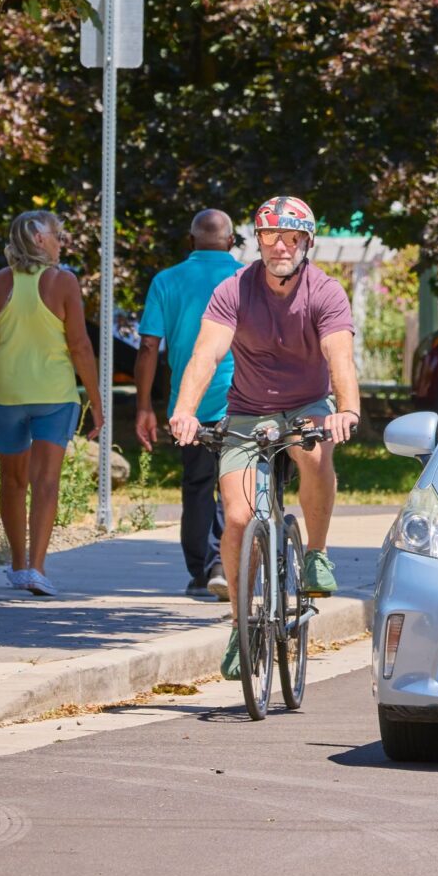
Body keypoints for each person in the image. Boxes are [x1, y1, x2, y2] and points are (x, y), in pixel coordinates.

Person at [168, 196, 361, 679]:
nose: (280, 246)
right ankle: (240, 626)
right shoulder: (234, 288)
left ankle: (316, 553)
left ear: (306, 243)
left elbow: (340, 359)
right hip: (246, 411)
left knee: (315, 457)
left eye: (290, 237)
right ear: (257, 242)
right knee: (236, 517)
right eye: (270, 237)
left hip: (307, 405)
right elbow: (206, 353)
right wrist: (185, 411)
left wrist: (348, 410)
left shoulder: (325, 292)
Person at [0, 210, 105, 596]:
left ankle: (18, 563)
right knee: (46, 482)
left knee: (12, 480)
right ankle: (37, 570)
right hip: (55, 397)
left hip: (5, 396)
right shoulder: (63, 282)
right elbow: (80, 346)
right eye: (57, 234)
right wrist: (97, 400)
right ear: (40, 239)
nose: (61, 241)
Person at [133, 209, 245, 600]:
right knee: (238, 484)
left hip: (190, 403)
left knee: (198, 485)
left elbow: (149, 346)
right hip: (245, 401)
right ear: (231, 241)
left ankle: (203, 570)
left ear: (191, 240)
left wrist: (144, 404)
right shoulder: (248, 279)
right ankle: (226, 562)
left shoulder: (167, 281)